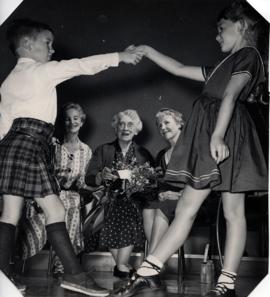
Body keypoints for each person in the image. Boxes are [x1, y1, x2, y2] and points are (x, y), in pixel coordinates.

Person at [112, 1, 268, 297]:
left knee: (233, 211)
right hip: (214, 133)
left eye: (222, 29)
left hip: (230, 134)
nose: (217, 36)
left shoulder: (248, 55)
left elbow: (232, 95)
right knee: (186, 206)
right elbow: (180, 68)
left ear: (242, 26)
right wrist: (148, 50)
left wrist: (218, 135)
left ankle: (226, 283)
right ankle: (149, 269)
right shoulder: (223, 64)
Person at [0, 18, 143, 296]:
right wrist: (120, 57)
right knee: (55, 211)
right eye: (47, 43)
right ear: (27, 44)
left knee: (9, 214)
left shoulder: (8, 82)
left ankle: (4, 276)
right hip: (29, 147)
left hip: (9, 148)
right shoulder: (41, 71)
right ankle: (75, 275)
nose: (52, 49)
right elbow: (79, 65)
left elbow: (3, 125)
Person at [18, 102, 98, 278]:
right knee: (56, 209)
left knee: (74, 202)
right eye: (67, 119)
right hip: (48, 194)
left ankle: (61, 265)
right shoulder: (53, 145)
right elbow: (40, 172)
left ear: (82, 121)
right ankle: (16, 258)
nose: (72, 123)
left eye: (75, 118)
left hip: (72, 197)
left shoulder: (86, 150)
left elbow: (84, 181)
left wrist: (99, 185)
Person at [85, 109, 154, 279]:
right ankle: (122, 265)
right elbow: (89, 178)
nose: (125, 128)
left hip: (134, 201)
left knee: (127, 210)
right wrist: (101, 176)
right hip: (107, 201)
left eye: (130, 124)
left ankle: (121, 266)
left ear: (136, 129)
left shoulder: (143, 154)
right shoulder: (104, 150)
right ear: (116, 128)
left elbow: (151, 182)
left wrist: (139, 181)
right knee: (114, 209)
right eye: (121, 124)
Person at [143, 108, 185, 255]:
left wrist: (179, 195)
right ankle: (157, 263)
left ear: (180, 123)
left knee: (163, 208)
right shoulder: (162, 154)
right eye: (159, 125)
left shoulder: (191, 149)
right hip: (170, 201)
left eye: (166, 122)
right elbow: (161, 183)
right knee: (148, 208)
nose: (162, 127)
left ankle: (151, 260)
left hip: (192, 201)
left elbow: (200, 181)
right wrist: (161, 193)